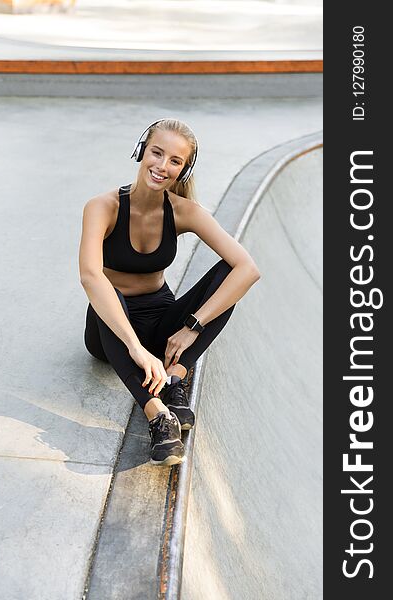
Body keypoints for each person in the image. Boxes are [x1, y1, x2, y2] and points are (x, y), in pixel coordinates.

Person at [79, 118, 260, 466]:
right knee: (106, 292)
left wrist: (193, 325)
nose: (162, 166)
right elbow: (90, 276)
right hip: (111, 331)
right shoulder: (102, 207)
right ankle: (158, 415)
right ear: (140, 151)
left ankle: (175, 379)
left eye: (175, 161)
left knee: (228, 277)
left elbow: (247, 269)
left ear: (184, 169)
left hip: (161, 321)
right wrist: (136, 348)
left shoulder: (183, 212)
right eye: (156, 153)